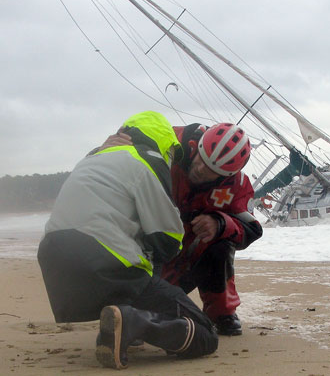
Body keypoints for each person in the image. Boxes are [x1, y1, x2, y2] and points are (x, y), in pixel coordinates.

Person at [37, 111, 218, 370]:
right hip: (104, 261)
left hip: (53, 261)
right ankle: (137, 322)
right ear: (164, 145)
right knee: (206, 334)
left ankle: (123, 323)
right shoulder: (149, 160)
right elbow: (168, 239)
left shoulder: (92, 159)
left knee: (129, 250)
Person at [101, 122, 263, 336]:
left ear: (227, 176)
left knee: (220, 244)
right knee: (135, 303)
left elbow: (251, 228)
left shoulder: (237, 186)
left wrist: (220, 222)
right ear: (197, 146)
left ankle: (222, 312)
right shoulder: (169, 141)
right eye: (201, 161)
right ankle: (131, 299)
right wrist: (106, 150)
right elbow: (115, 164)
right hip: (146, 242)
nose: (200, 170)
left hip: (185, 257)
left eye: (211, 172)